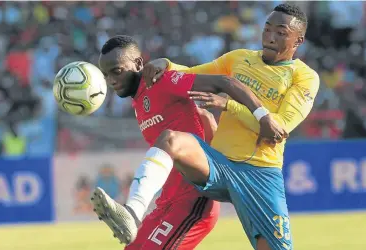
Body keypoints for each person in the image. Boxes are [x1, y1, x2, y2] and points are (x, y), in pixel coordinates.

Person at [125, 3, 320, 250]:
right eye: (267, 29)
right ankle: (133, 209)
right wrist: (168, 64)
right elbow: (194, 74)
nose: (270, 37)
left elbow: (277, 128)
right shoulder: (239, 59)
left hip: (260, 172)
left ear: (298, 40)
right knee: (170, 139)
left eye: (280, 32)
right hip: (218, 164)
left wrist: (229, 105)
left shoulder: (304, 77)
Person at [91, 35, 270, 249]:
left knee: (169, 138)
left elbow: (224, 82)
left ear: (138, 64)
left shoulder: (162, 81)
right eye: (106, 74)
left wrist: (262, 115)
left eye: (117, 71)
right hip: (168, 201)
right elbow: (203, 118)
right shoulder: (139, 101)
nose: (111, 80)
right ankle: (132, 213)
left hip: (193, 201)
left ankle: (132, 211)